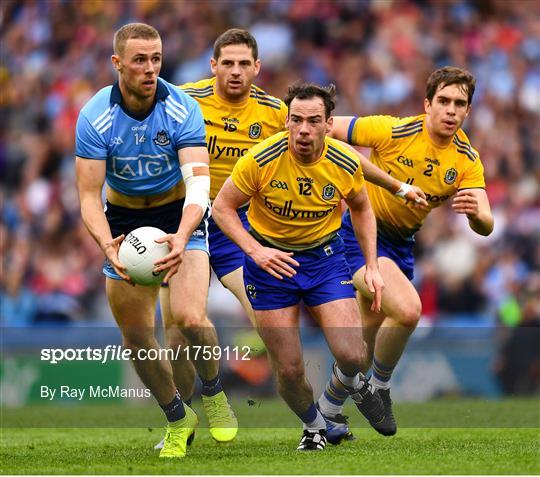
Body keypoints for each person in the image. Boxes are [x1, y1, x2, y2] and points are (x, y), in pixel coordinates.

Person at [317, 66, 494, 437]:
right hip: (358, 238)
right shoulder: (393, 130)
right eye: (443, 101)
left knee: (359, 350)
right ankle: (380, 387)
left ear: (467, 112)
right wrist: (345, 175)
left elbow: (487, 224)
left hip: (400, 247)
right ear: (427, 104)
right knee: (410, 310)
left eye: (459, 104)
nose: (450, 110)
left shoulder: (466, 159)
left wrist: (477, 214)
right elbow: (325, 128)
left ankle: (327, 412)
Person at [212, 82, 390, 451]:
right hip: (269, 266)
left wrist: (372, 265)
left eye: (313, 121)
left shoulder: (344, 162)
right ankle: (313, 427)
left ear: (328, 125)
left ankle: (356, 384)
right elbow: (222, 208)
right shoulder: (261, 159)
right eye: (296, 120)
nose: (304, 129)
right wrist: (255, 251)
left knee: (353, 355)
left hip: (324, 259)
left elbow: (361, 207)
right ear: (287, 122)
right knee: (290, 369)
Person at [75, 22, 217, 459]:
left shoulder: (182, 107)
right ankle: (178, 418)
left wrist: (183, 233)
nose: (150, 68)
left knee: (189, 321)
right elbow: (87, 196)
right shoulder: (95, 116)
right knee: (136, 337)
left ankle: (212, 393)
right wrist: (106, 244)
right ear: (117, 63)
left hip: (177, 215)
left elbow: (198, 185)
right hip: (123, 222)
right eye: (140, 59)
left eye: (156, 58)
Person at [155, 29, 285, 447]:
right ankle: (187, 417)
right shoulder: (182, 100)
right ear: (213, 66)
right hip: (184, 221)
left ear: (257, 68)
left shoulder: (274, 112)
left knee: (270, 319)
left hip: (237, 223)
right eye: (226, 63)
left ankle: (320, 417)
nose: (235, 71)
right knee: (176, 333)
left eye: (243, 63)